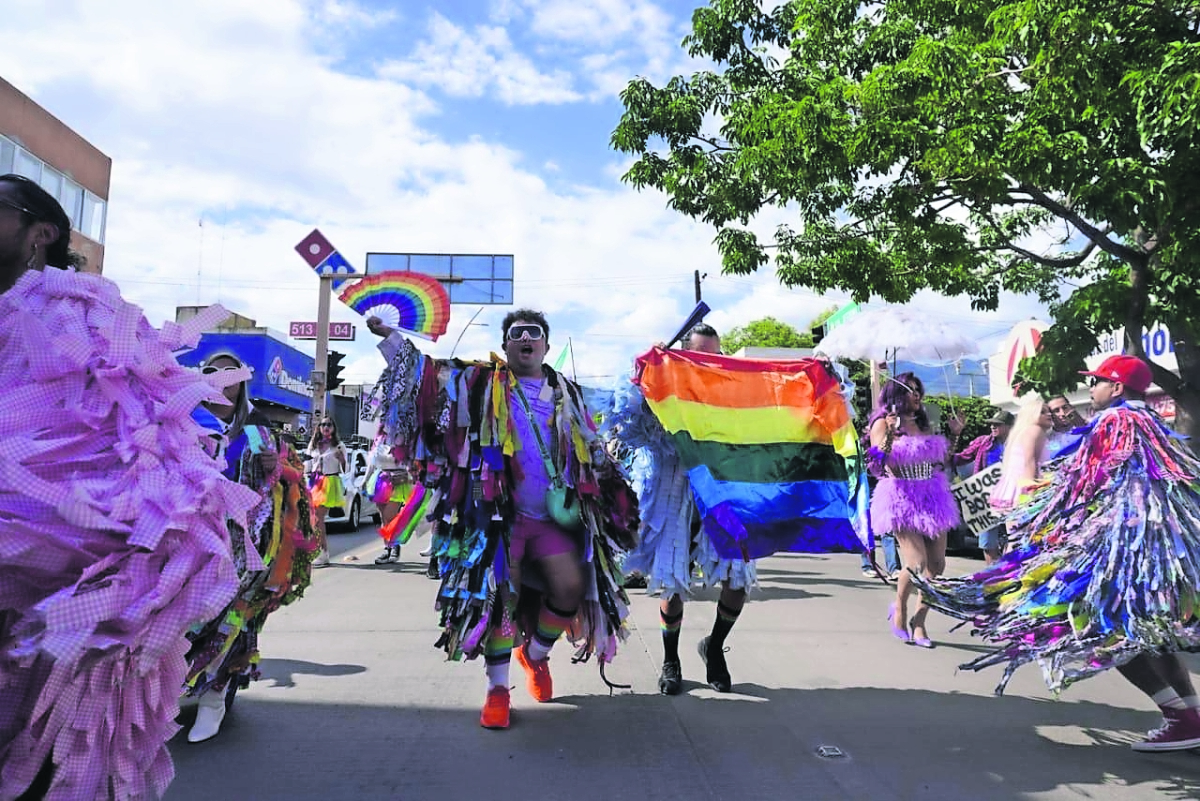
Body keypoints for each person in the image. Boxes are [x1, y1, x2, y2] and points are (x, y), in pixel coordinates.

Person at [0, 174, 258, 799]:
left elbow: (137, 439)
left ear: (41, 234)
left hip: (59, 595)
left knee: (41, 759)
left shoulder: (74, 311)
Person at [364, 309, 638, 730]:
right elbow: (427, 376)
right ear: (506, 345)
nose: (526, 339)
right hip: (497, 517)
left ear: (546, 345)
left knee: (571, 588)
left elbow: (594, 443)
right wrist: (391, 339)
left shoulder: (569, 393)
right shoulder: (478, 383)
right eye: (516, 334)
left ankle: (537, 655)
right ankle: (497, 688)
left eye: (534, 334)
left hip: (553, 518)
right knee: (499, 596)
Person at [919, 354, 1200, 751]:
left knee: (1102, 634)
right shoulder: (1150, 420)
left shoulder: (1115, 422)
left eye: (1099, 382)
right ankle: (1190, 716)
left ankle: (1180, 717)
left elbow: (1084, 482)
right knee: (1152, 637)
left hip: (1119, 550)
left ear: (1117, 387)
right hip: (1153, 551)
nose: (1093, 389)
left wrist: (1045, 515)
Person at [182, 354, 319, 743]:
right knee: (185, 622)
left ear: (240, 384)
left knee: (230, 622)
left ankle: (213, 701)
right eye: (211, 370)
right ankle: (171, 695)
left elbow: (287, 484)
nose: (219, 379)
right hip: (187, 544)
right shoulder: (181, 421)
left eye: (229, 373)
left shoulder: (257, 429)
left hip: (244, 547)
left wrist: (275, 466)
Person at [617, 323, 755, 695]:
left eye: (715, 354)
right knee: (672, 581)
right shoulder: (663, 385)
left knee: (738, 579)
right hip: (672, 491)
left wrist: (817, 374)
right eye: (698, 355)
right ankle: (671, 659)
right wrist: (647, 372)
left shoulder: (734, 391)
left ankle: (714, 647)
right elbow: (633, 429)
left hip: (722, 492)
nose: (708, 362)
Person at [866, 373, 962, 648]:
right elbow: (876, 463)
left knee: (937, 565)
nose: (917, 394)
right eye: (910, 390)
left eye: (919, 389)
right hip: (901, 497)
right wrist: (890, 434)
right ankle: (899, 606)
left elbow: (943, 461)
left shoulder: (924, 422)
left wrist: (955, 435)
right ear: (897, 394)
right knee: (916, 562)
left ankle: (919, 621)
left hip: (933, 496)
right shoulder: (883, 422)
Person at [952, 409, 1015, 564]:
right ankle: (992, 576)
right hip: (986, 497)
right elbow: (960, 458)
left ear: (1009, 426)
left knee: (1015, 539)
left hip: (1012, 498)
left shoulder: (1019, 444)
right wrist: (956, 435)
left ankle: (1009, 574)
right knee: (987, 542)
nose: (993, 427)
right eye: (992, 424)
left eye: (998, 424)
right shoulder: (983, 442)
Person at [988, 396, 1052, 518]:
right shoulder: (1035, 429)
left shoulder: (1021, 432)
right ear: (1031, 414)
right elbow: (1029, 462)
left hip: (1011, 489)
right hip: (1023, 490)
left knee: (1015, 534)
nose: (1048, 414)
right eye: (1042, 412)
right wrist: (1031, 495)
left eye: (1048, 411)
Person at [306, 416, 347, 566]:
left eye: (329, 424)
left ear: (334, 428)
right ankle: (321, 552)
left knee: (318, 518)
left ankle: (323, 553)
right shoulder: (314, 444)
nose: (326, 427)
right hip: (315, 482)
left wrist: (342, 459)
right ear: (319, 428)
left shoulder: (338, 445)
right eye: (323, 424)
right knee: (314, 520)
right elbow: (308, 464)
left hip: (329, 482)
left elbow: (345, 469)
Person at [367, 437, 415, 564]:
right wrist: (364, 480)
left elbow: (410, 461)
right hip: (381, 480)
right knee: (384, 518)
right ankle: (387, 548)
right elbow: (371, 463)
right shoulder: (379, 440)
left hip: (397, 481)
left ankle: (395, 546)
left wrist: (411, 476)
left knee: (390, 516)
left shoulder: (402, 438)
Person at [1045, 393, 1086, 458]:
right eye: (1056, 410)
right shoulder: (1048, 440)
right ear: (1050, 415)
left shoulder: (1086, 426)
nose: (1063, 413)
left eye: (1065, 408)